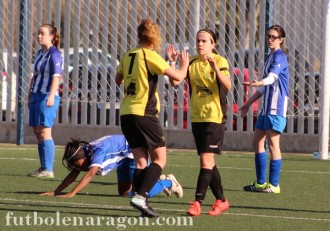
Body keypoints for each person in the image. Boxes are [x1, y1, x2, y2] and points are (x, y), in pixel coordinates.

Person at [115, 18, 189, 217]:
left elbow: (118, 80)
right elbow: (178, 78)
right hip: (144, 114)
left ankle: (142, 202)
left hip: (126, 114)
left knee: (141, 162)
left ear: (139, 36)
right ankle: (140, 196)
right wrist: (184, 64)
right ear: (155, 37)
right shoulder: (150, 55)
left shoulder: (128, 55)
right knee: (160, 159)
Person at [168, 29, 232, 216]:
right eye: (198, 40)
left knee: (205, 159)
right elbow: (175, 83)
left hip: (215, 117)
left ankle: (197, 202)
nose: (200, 44)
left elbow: (227, 86)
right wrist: (173, 62)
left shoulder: (220, 61)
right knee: (208, 161)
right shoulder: (193, 62)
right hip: (197, 117)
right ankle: (221, 200)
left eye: (204, 41)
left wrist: (216, 70)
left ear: (213, 44)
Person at [40, 134, 183, 199]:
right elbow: (73, 174)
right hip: (122, 159)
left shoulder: (97, 152)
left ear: (83, 158)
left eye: (78, 165)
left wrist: (72, 193)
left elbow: (90, 175)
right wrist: (56, 191)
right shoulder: (85, 153)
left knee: (140, 194)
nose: (78, 168)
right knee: (124, 193)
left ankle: (169, 182)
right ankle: (155, 181)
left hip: (133, 153)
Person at [239, 25, 289, 194]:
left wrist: (258, 82)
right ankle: (261, 183)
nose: (270, 39)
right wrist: (246, 104)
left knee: (274, 144)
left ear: (281, 40)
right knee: (257, 142)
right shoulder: (270, 57)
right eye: (268, 36)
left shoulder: (280, 57)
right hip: (266, 109)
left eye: (274, 37)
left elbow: (271, 78)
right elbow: (263, 88)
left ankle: (274, 185)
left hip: (276, 108)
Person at [28, 23, 63, 178]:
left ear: (52, 36)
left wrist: (51, 95)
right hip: (36, 95)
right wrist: (30, 92)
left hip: (47, 96)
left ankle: (48, 169)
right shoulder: (39, 53)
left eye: (42, 33)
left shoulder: (54, 54)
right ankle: (43, 167)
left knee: (44, 130)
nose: (39, 36)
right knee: (37, 130)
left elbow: (57, 76)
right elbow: (35, 75)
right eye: (38, 33)